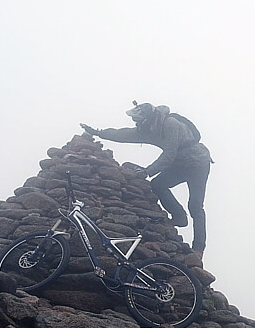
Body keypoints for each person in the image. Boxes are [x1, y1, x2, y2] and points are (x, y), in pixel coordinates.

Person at [80, 102, 212, 254]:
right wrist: (98, 132)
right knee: (157, 184)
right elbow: (122, 134)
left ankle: (198, 249)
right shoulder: (149, 129)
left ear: (146, 118)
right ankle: (179, 216)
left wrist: (147, 171)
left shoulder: (170, 124)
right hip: (180, 164)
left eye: (137, 120)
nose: (136, 123)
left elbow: (169, 154)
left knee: (195, 206)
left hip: (198, 163)